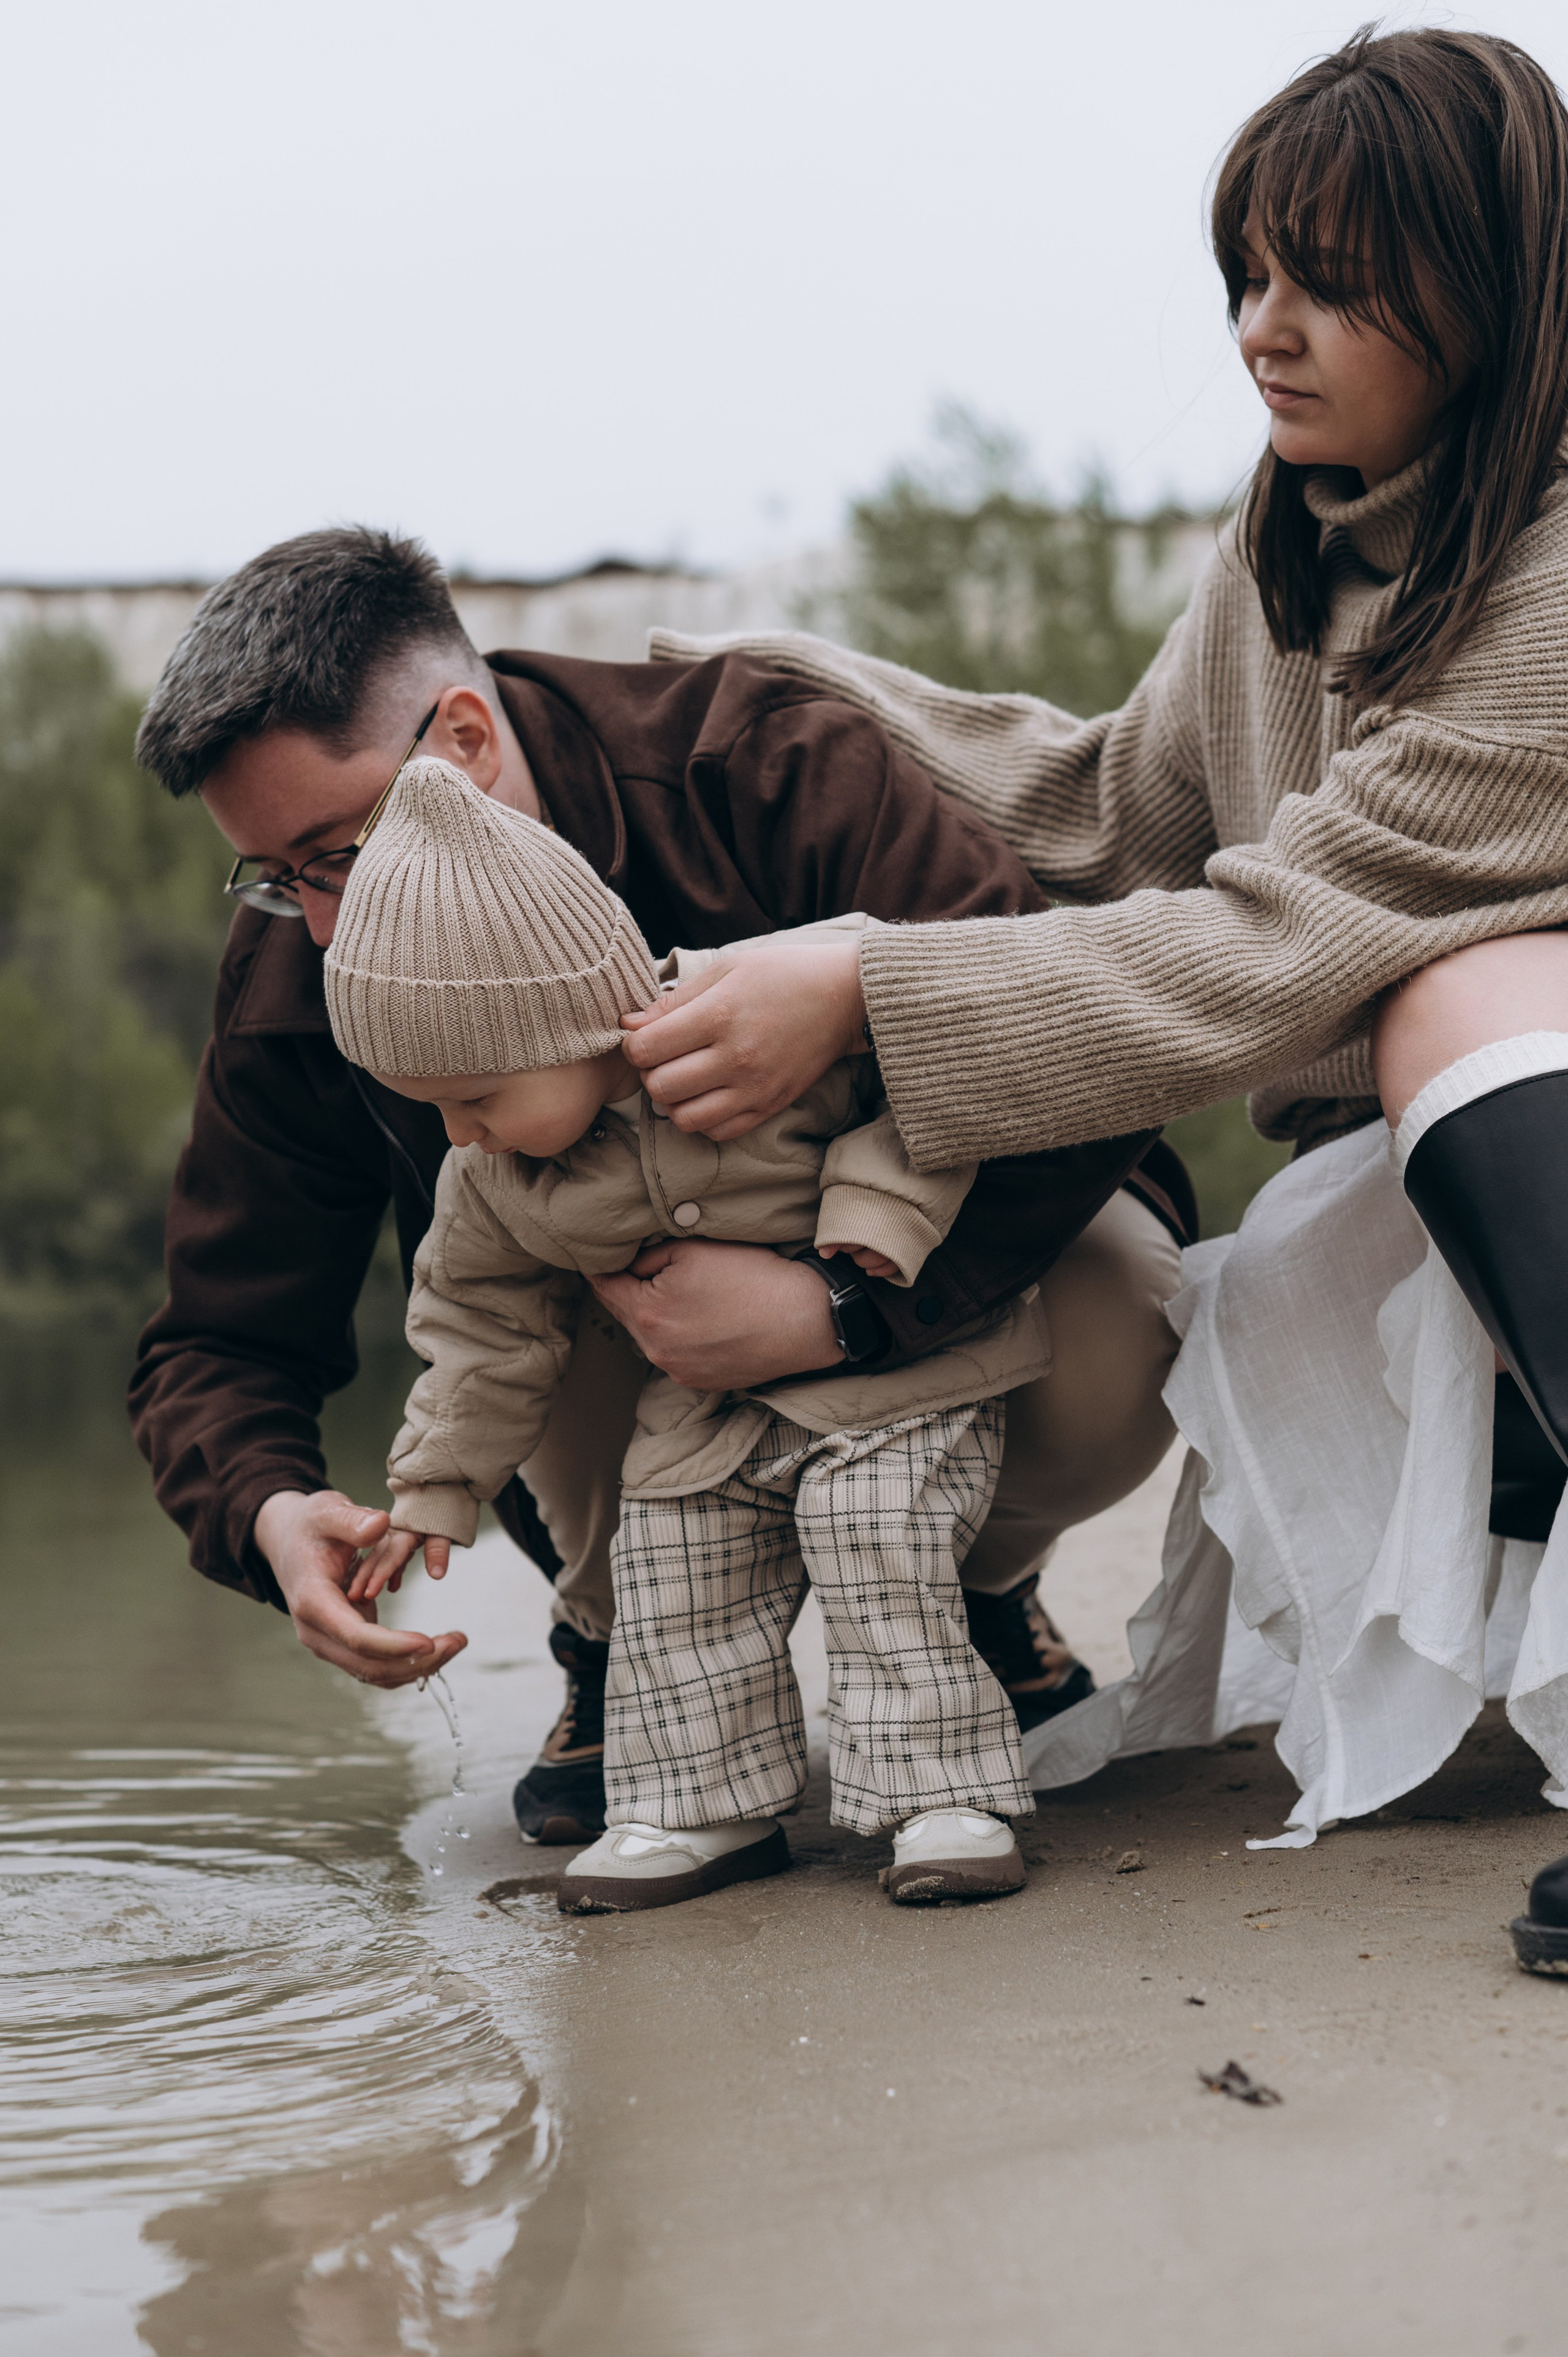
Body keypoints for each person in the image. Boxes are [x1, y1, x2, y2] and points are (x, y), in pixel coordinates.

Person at [614, 27, 1568, 1860]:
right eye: (1246, 278)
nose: (1261, 332)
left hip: (1518, 1105)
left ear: (1495, 289)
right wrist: (763, 696)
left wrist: (863, 987)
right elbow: (1112, 812)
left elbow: (1268, 943)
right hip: (1440, 1172)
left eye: (1327, 283)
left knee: (1460, 1002)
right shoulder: (1301, 534)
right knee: (1298, 1250)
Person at [129, 527, 1192, 1846]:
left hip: (916, 1285)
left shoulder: (761, 764)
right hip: (628, 1360)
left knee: (1124, 1291)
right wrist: (270, 1515)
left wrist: (844, 1299)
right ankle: (617, 1642)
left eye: (335, 855)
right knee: (510, 1289)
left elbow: (1082, 1046)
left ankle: (971, 1587)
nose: (326, 924)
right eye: (278, 881)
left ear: (461, 737)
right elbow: (220, 1337)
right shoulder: (299, 963)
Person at [326, 755, 1045, 1907]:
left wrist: (876, 1215)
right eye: (434, 1108)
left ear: (574, 1023)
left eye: (477, 1096)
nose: (459, 1134)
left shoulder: (747, 1026)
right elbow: (477, 1325)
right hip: (704, 1414)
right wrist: (437, 1482)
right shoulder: (493, 1179)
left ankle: (941, 1792)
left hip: (899, 1386)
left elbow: (922, 1088)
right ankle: (700, 1804)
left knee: (874, 1539)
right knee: (671, 1573)